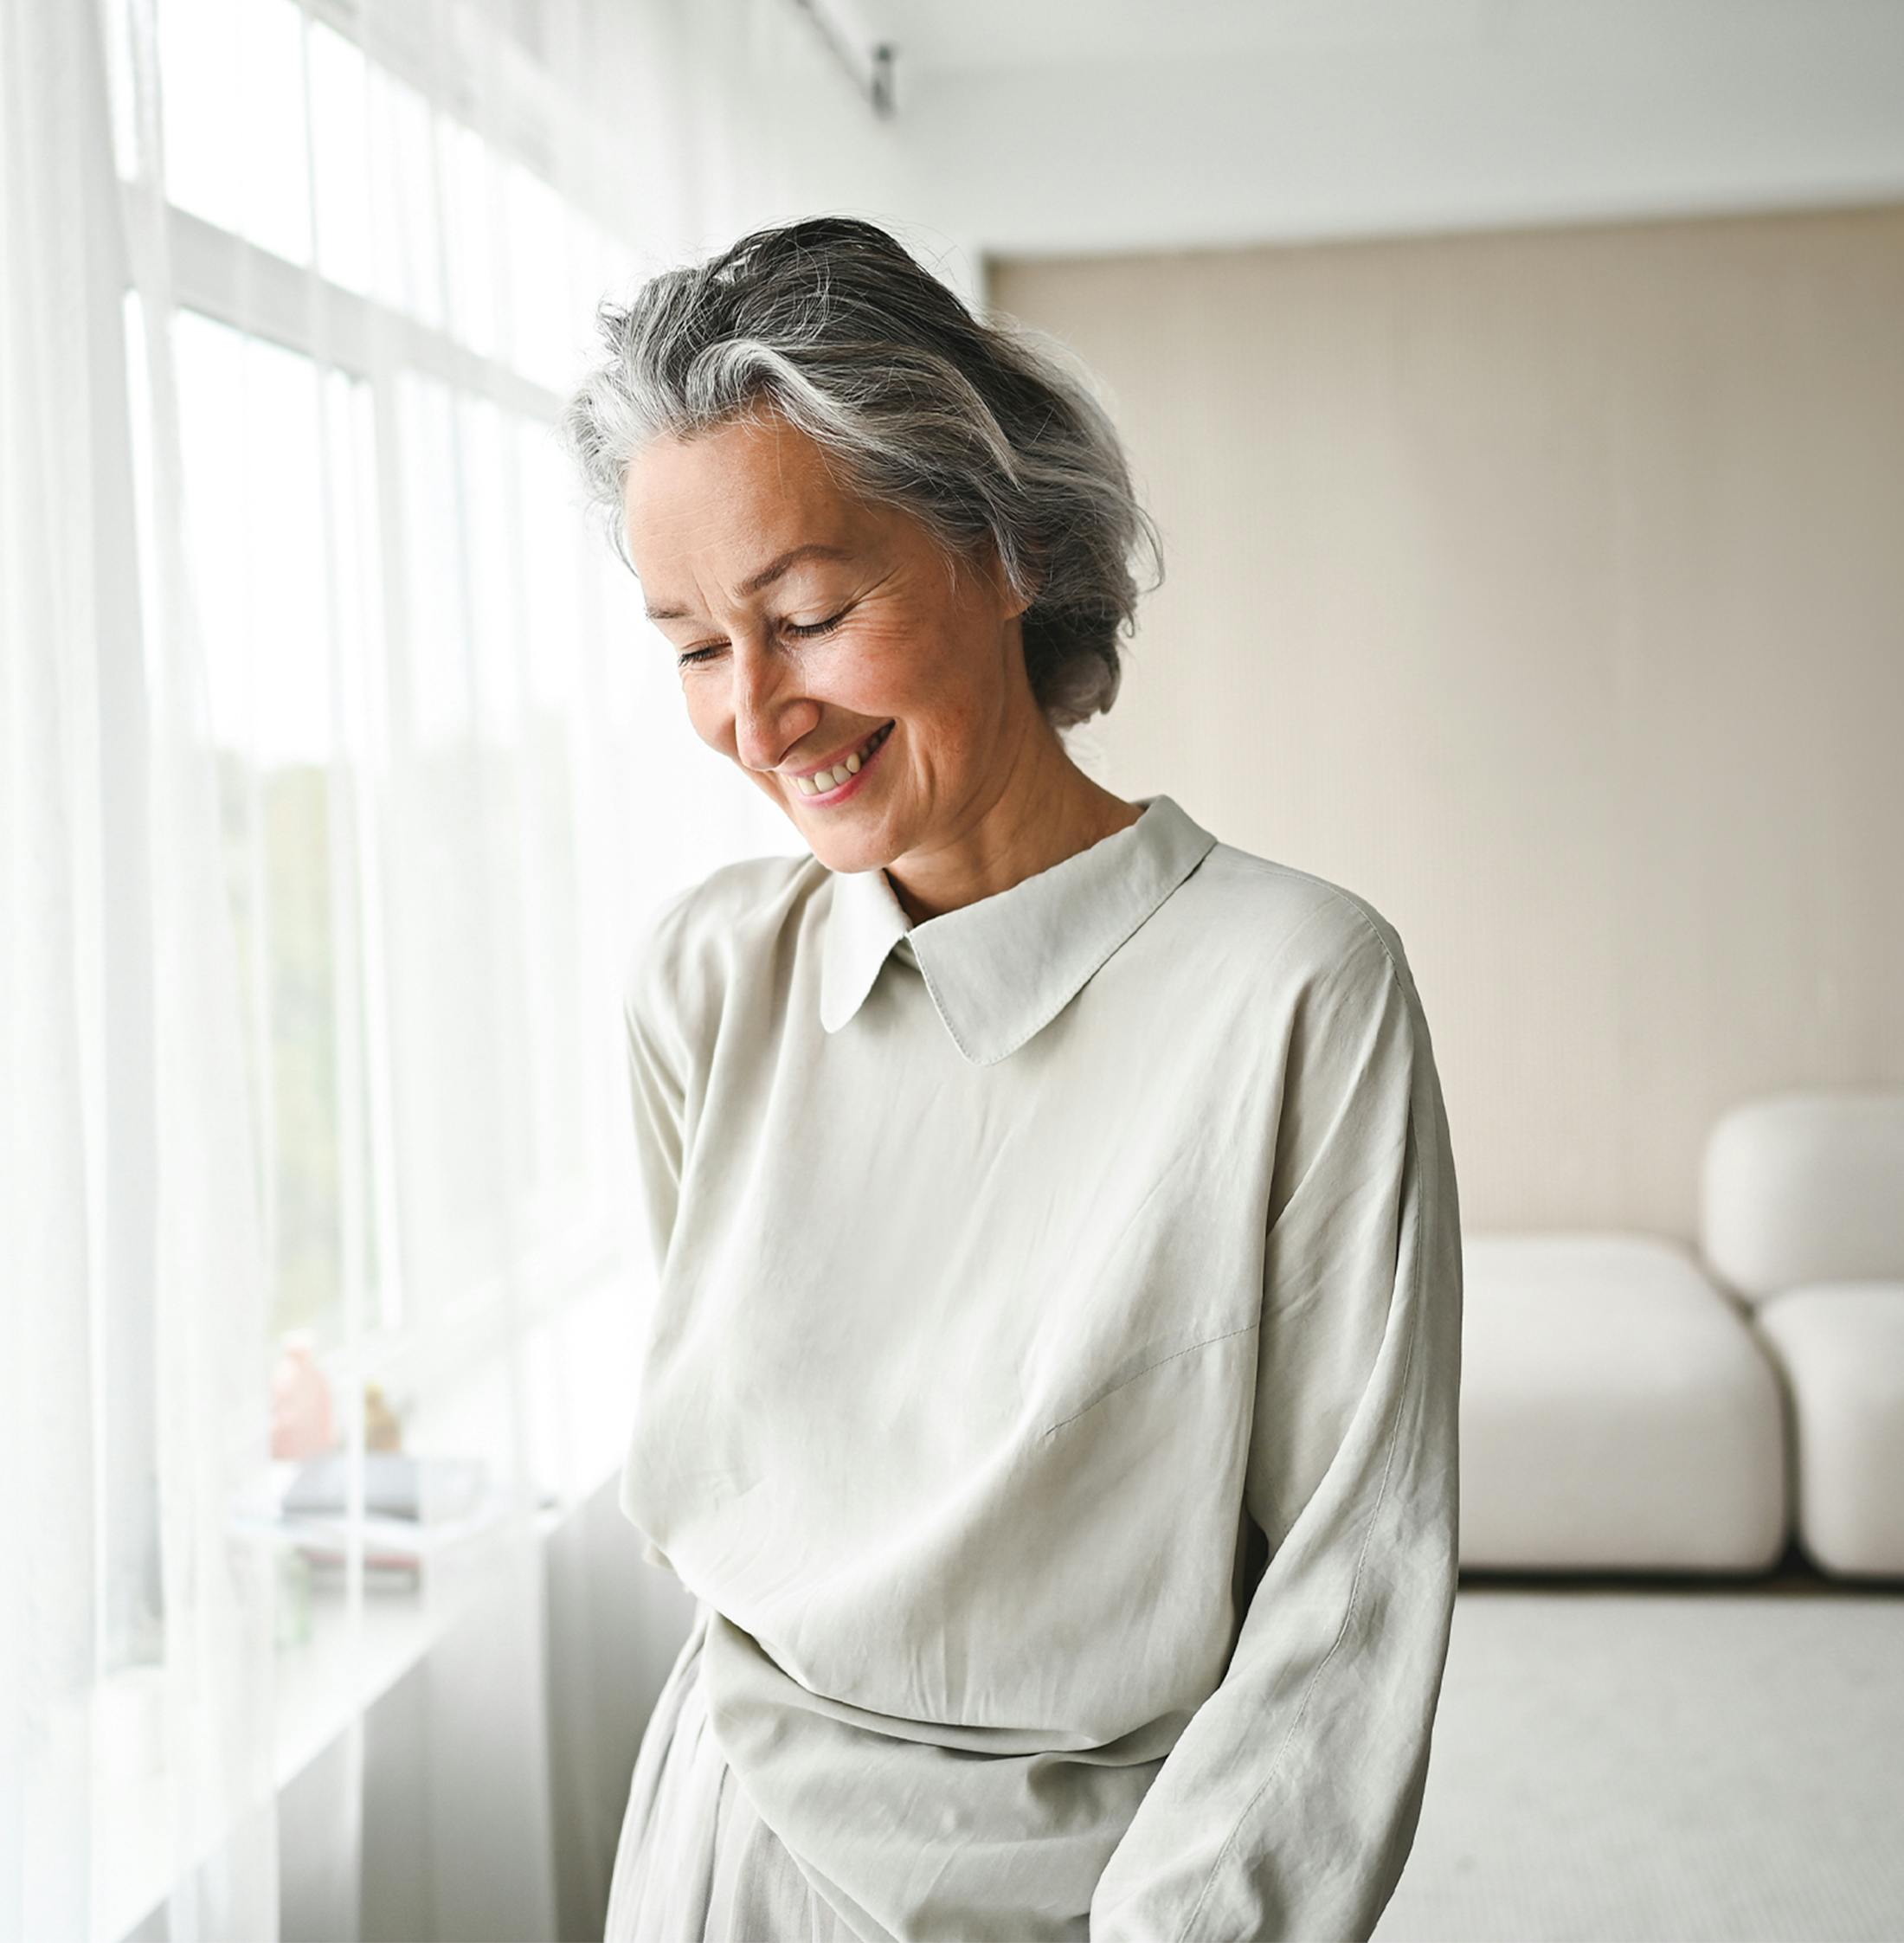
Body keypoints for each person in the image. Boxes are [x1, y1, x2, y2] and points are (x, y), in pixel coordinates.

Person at [558, 214, 1463, 1943]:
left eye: (807, 613)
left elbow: (1344, 1604)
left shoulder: (1293, 989)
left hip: (1098, 1897)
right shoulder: (705, 978)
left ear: (1004, 551)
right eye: (688, 645)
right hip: (719, 1848)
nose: (757, 715)